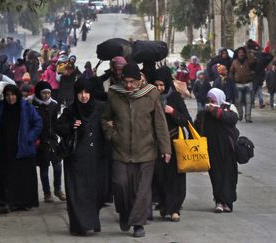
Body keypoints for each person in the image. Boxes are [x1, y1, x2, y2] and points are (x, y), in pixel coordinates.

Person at [101, 62, 171, 238]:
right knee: (120, 185)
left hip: (146, 151)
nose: (129, 85)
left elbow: (160, 123)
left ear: (140, 80)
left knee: (142, 190)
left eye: (133, 81)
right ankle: (125, 215)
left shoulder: (151, 94)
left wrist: (165, 148)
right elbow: (105, 118)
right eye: (126, 81)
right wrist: (111, 134)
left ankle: (138, 223)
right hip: (120, 150)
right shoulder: (114, 94)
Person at [56, 79, 108, 235]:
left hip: (97, 158)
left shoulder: (101, 108)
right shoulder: (71, 111)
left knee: (96, 192)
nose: (84, 96)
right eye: (80, 93)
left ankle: (93, 222)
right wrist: (71, 126)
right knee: (77, 193)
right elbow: (58, 127)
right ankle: (80, 225)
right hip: (76, 159)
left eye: (86, 92)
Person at [0, 84, 43, 214]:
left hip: (22, 148)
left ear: (17, 95)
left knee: (22, 176)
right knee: (4, 175)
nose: (10, 98)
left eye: (13, 95)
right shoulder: (2, 107)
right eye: (7, 95)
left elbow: (38, 123)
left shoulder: (26, 108)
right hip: (5, 147)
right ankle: (4, 201)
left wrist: (29, 138)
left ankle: (22, 202)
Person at [153, 66, 191, 222]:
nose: (159, 88)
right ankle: (164, 205)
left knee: (175, 177)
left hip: (175, 143)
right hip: (157, 144)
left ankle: (175, 209)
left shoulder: (175, 98)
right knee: (159, 176)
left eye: (162, 85)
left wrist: (172, 112)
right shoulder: (150, 98)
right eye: (156, 85)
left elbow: (187, 120)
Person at [195, 88, 239, 213]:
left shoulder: (229, 109)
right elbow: (197, 126)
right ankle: (219, 201)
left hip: (228, 150)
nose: (210, 103)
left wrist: (215, 110)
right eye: (208, 100)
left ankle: (228, 202)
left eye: (213, 100)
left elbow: (232, 119)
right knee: (216, 176)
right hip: (212, 150)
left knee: (229, 176)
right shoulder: (204, 114)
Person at [32, 82, 65, 203]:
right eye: (44, 93)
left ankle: (58, 189)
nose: (46, 95)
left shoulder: (54, 105)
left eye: (48, 93)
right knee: (44, 168)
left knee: (57, 166)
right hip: (40, 142)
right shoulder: (32, 105)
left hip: (53, 140)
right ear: (38, 93)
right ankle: (47, 193)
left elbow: (56, 121)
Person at [230, 47, 255, 123]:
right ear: (237, 54)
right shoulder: (234, 62)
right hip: (238, 84)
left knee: (248, 101)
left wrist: (248, 53)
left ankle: (248, 117)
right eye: (239, 52)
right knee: (238, 101)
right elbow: (231, 72)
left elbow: (253, 61)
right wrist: (232, 80)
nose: (241, 54)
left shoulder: (248, 61)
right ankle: (240, 115)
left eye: (242, 52)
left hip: (248, 83)